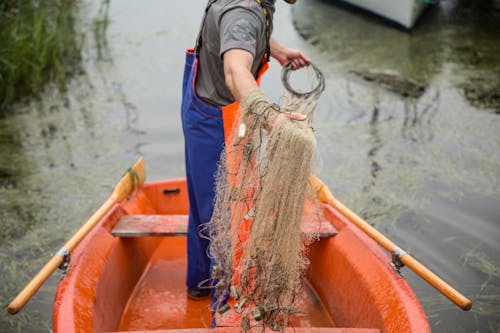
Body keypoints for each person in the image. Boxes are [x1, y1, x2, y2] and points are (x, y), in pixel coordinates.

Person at [181, 0, 310, 301]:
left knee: (206, 206)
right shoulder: (245, 12)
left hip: (200, 107)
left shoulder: (247, 8)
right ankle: (224, 309)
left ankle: (197, 285)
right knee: (228, 223)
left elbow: (234, 36)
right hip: (217, 123)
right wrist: (272, 117)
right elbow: (235, 70)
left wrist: (273, 49)